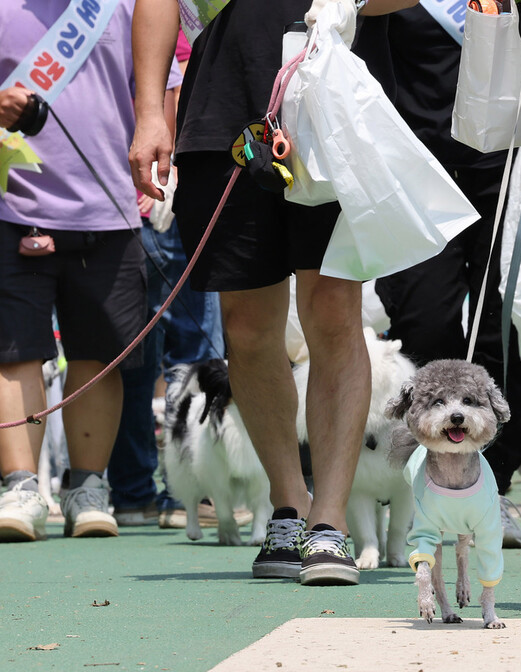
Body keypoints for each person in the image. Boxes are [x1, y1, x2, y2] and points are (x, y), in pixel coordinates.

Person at [129, 0, 415, 586]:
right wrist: (149, 113)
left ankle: (330, 522)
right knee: (247, 326)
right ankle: (289, 507)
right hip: (222, 107)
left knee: (335, 316)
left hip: (331, 103)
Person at [357, 4, 521, 550]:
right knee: (424, 323)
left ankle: (494, 486)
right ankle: (427, 486)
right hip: (413, 163)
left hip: (500, 156)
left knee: (501, 328)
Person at [0, 0, 153, 542]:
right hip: (11, 206)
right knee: (14, 349)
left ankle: (88, 487)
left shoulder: (130, 6)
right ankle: (20, 487)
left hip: (109, 208)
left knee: (100, 352)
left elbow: (159, 87)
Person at [108, 29, 226, 528]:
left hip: (159, 197)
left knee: (169, 355)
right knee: (170, 354)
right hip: (152, 197)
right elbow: (166, 97)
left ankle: (164, 491)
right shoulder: (149, 22)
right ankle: (162, 491)